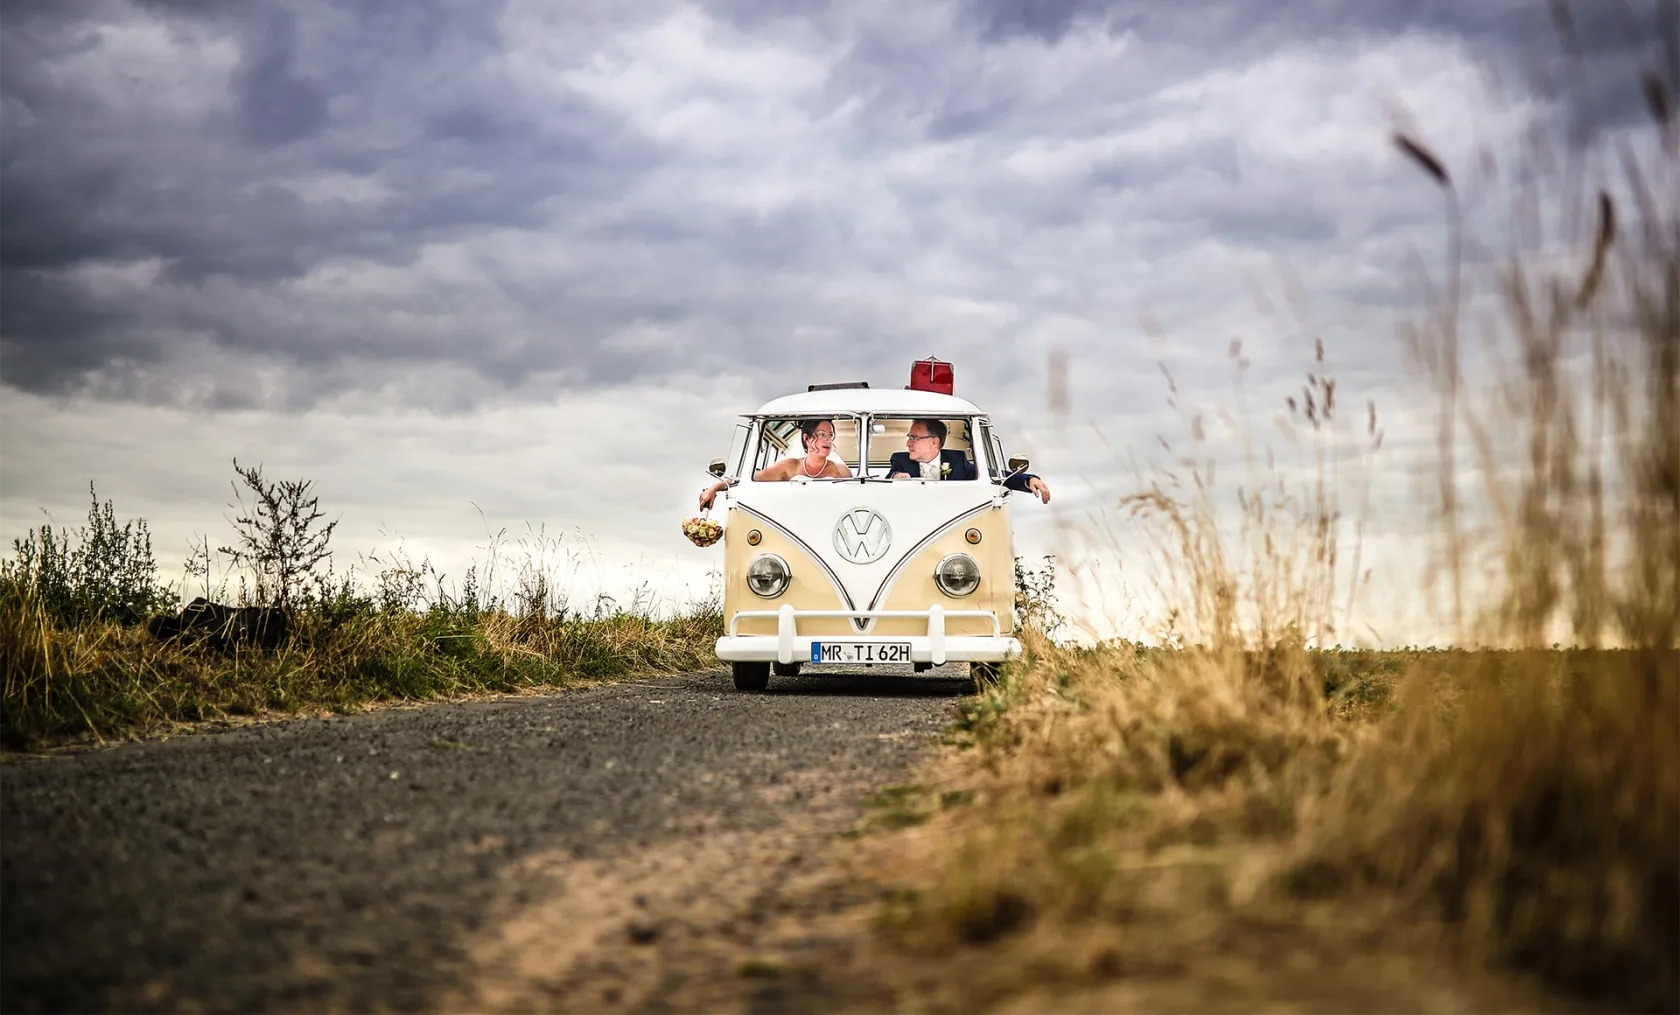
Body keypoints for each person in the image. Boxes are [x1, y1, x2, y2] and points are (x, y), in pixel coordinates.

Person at [699, 418, 852, 509]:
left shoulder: (840, 470)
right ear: (807, 438)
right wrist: (715, 487)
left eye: (830, 435)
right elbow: (747, 479)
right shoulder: (790, 466)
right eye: (821, 435)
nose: (828, 440)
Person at [888, 418, 1051, 503]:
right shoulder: (901, 460)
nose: (908, 443)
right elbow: (892, 476)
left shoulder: (957, 460)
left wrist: (1028, 479)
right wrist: (896, 478)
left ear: (934, 441)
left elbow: (993, 475)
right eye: (910, 437)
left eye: (914, 438)